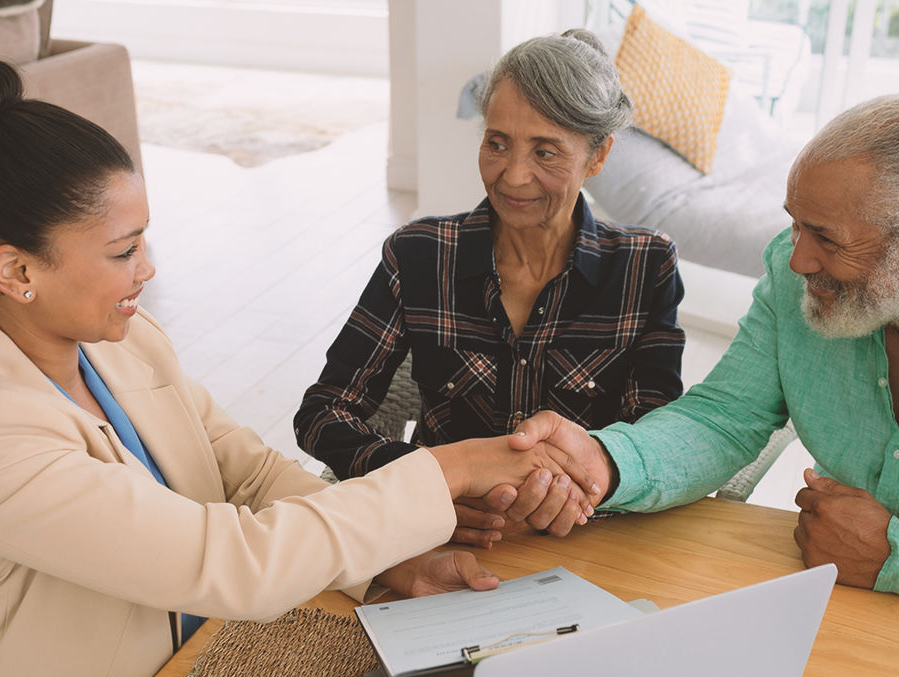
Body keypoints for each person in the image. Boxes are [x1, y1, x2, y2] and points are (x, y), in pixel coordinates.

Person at [0, 60, 595, 677]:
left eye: (144, 240)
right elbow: (231, 563)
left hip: (201, 666)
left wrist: (393, 563)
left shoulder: (116, 338)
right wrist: (451, 469)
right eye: (122, 251)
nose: (149, 268)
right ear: (17, 271)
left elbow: (248, 474)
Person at [508, 94, 899, 626]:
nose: (797, 260)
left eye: (826, 237)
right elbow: (724, 417)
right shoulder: (789, 268)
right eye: (795, 225)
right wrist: (608, 460)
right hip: (831, 609)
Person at [294, 30, 686, 546]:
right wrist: (432, 477)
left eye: (546, 152)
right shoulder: (418, 254)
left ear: (598, 157)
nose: (513, 176)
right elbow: (323, 413)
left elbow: (651, 443)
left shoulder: (645, 266)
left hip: (587, 545)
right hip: (439, 536)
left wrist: (568, 492)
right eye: (496, 143)